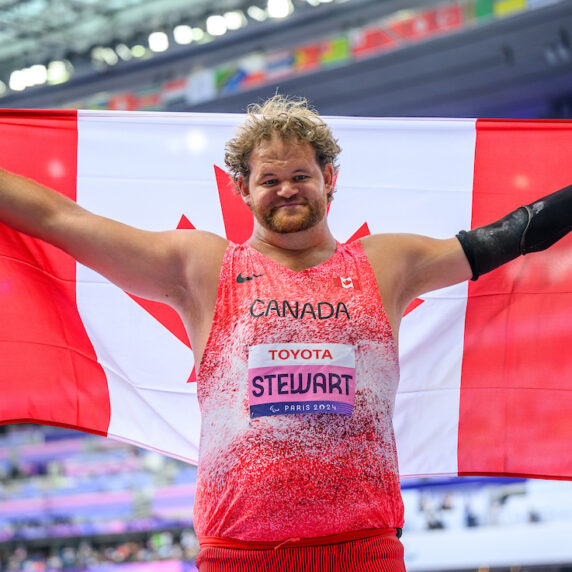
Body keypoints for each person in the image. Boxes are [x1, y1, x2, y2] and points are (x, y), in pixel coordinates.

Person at [0, 95, 570, 571]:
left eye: (301, 175)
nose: (287, 189)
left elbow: (511, 236)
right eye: (268, 179)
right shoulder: (202, 267)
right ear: (241, 190)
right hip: (238, 556)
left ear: (330, 179)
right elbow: (61, 221)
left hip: (364, 554)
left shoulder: (386, 263)